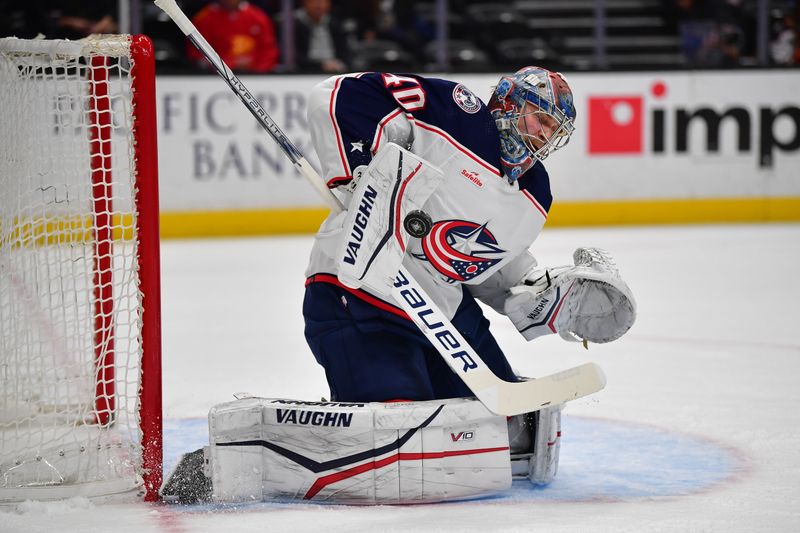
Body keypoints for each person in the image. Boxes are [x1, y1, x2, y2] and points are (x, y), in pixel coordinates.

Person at [160, 68, 635, 505]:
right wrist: (359, 172)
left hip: (444, 316)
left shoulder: (536, 192)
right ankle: (232, 460)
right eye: (539, 120)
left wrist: (541, 293)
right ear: (510, 103)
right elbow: (341, 93)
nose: (542, 137)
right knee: (395, 428)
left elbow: (489, 265)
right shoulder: (457, 111)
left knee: (506, 432)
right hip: (362, 294)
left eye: (554, 132)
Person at [187, 0, 279, 73]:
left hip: (254, 76)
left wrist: (256, 72)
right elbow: (197, 54)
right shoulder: (204, 18)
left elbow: (269, 51)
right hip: (218, 77)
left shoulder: (258, 17)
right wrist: (228, 64)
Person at [290, 0, 350, 73]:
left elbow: (345, 52)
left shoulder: (335, 24)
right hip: (305, 72)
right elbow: (295, 57)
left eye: (322, 2)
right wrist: (321, 66)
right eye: (314, 2)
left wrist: (340, 64)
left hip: (334, 70)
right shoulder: (293, 24)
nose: (318, 6)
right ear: (305, 3)